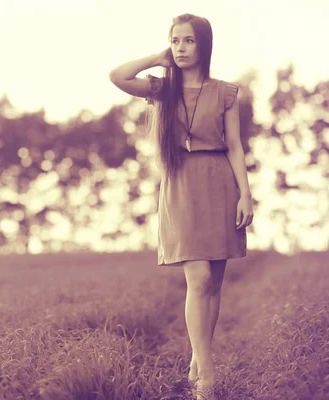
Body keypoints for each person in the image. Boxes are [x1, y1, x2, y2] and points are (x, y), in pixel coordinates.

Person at [108, 13, 254, 400]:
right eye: (176, 41)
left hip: (219, 182)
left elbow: (235, 146)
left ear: (203, 44)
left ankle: (196, 359)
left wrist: (246, 193)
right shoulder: (162, 89)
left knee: (215, 283)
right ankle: (206, 373)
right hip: (181, 185)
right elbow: (117, 76)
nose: (181, 48)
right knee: (200, 280)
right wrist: (156, 58)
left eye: (188, 41)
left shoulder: (226, 92)